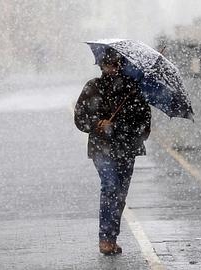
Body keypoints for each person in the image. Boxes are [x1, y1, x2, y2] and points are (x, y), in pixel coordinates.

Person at [74, 48, 151, 255]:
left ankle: (112, 236)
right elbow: (80, 118)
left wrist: (132, 130)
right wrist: (98, 124)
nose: (113, 68)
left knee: (121, 193)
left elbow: (145, 121)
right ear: (101, 65)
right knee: (110, 186)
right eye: (109, 64)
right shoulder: (93, 87)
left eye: (117, 64)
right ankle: (105, 238)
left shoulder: (133, 89)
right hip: (102, 148)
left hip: (127, 148)